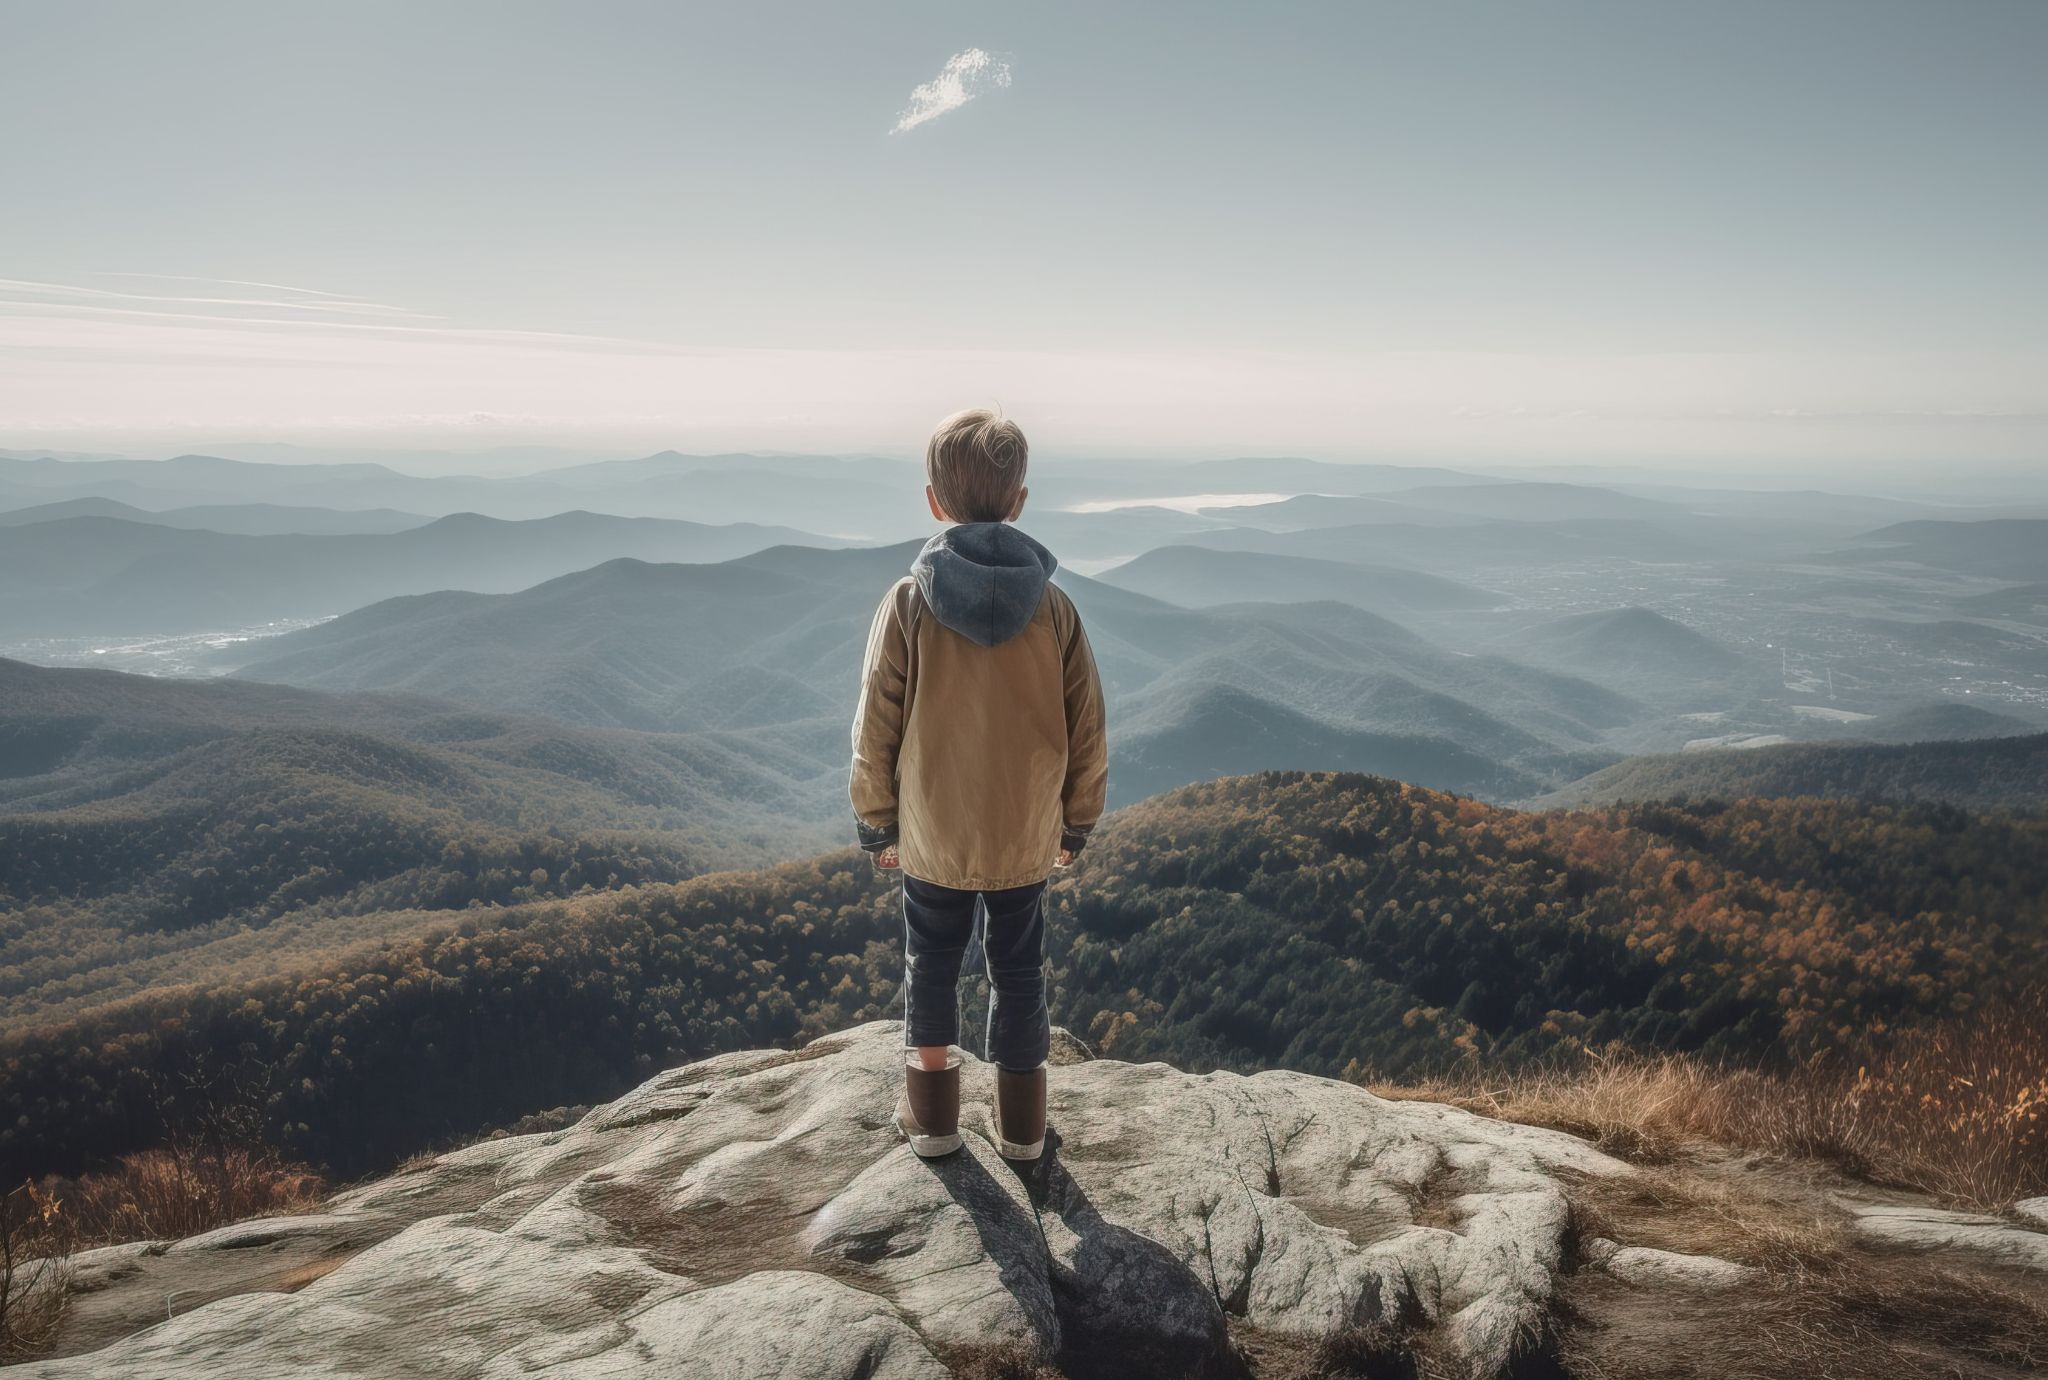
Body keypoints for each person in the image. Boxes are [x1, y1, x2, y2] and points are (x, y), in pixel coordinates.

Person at [849, 407, 1108, 1162]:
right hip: (1025, 832)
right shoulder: (1055, 609)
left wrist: (878, 822)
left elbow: (876, 723)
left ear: (934, 500)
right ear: (1020, 500)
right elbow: (1086, 726)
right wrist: (1076, 824)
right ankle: (1024, 1133)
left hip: (933, 832)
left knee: (930, 964)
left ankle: (933, 1125)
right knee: (1019, 971)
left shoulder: (908, 604)